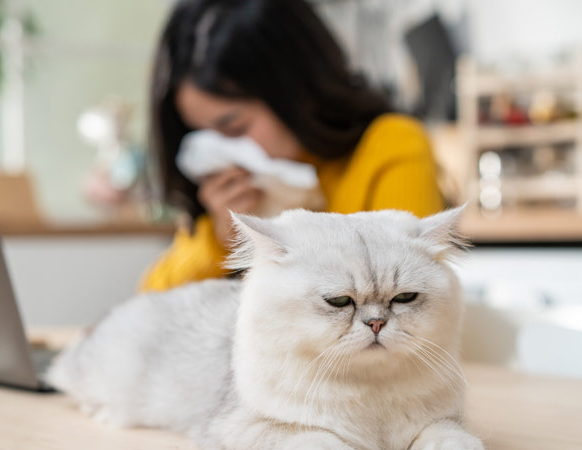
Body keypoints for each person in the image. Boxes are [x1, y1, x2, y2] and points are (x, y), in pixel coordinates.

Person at [140, 0, 444, 292]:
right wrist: (219, 241)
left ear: (295, 91)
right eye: (199, 135)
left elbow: (408, 295)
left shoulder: (391, 146)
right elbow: (149, 306)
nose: (217, 151)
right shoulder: (227, 190)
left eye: (234, 128)